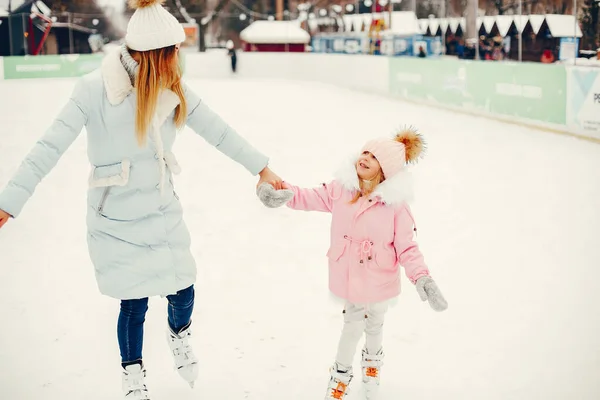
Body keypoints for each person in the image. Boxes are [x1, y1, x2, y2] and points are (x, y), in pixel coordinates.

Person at [0, 0, 283, 398]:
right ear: (157, 54)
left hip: (161, 209)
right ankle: (133, 374)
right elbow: (48, 146)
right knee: (133, 305)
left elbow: (219, 131)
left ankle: (177, 333)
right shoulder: (93, 90)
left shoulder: (174, 90)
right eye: (175, 51)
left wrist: (261, 167)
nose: (179, 59)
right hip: (114, 216)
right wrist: (10, 200)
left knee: (184, 290)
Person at [277, 128, 447, 400]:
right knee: (353, 324)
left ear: (386, 170)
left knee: (375, 322)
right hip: (350, 275)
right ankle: (341, 375)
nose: (365, 157)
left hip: (381, 277)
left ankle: (371, 366)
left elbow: (407, 247)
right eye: (364, 152)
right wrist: (281, 191)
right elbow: (307, 196)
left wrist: (422, 277)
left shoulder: (395, 205)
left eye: (374, 156)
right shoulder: (340, 190)